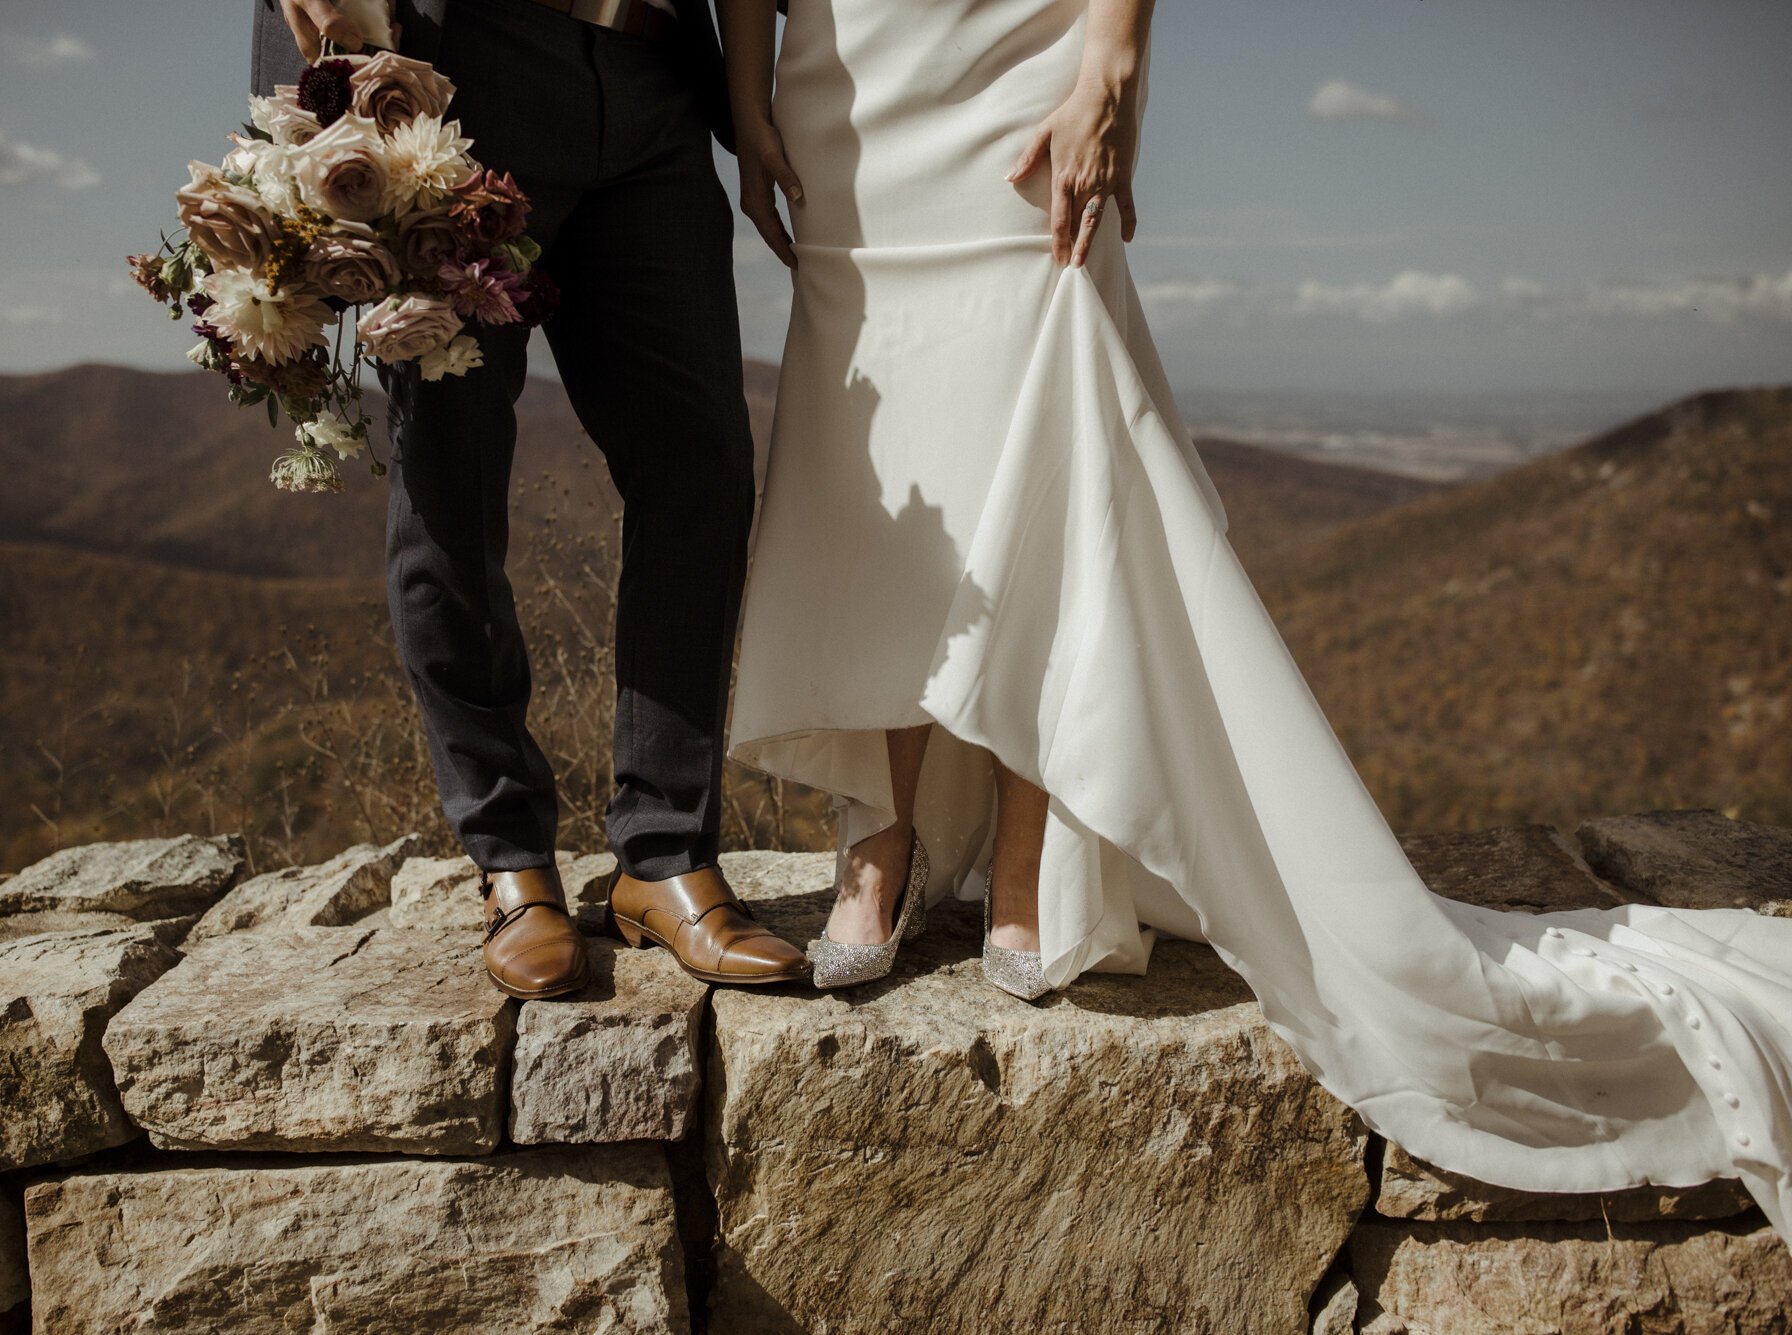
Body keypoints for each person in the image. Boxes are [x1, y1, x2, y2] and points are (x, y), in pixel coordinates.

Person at [717, 0, 1792, 1241]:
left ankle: (1028, 842)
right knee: (886, 440)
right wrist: (745, 84)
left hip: (1016, 48)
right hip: (847, 70)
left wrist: (1111, 59)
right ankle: (883, 833)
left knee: (1031, 394)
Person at [254, 0, 811, 996]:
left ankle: (666, 854)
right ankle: (510, 859)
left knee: (701, 463)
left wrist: (750, 102)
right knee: (451, 480)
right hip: (454, 74)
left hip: (651, 77)